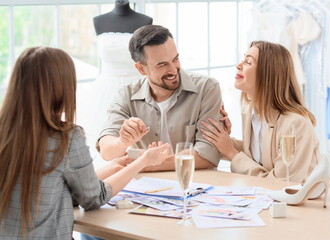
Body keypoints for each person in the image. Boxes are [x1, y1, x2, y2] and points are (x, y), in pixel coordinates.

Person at [0, 46, 169, 239]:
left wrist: (113, 167)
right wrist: (143, 161)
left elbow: (57, 185)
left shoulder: (7, 134)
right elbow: (94, 198)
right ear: (61, 88)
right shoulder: (65, 138)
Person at [97, 25, 223, 171]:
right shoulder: (126, 95)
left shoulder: (207, 88)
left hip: (195, 183)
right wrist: (121, 142)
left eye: (175, 59)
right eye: (162, 65)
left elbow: (208, 155)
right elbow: (106, 150)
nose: (173, 70)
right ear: (141, 69)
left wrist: (145, 164)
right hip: (147, 187)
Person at [201, 41, 319, 183]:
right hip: (259, 196)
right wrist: (222, 139)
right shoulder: (250, 111)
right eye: (243, 60)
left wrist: (231, 153)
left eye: (248, 62)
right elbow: (258, 157)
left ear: (268, 73)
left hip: (294, 203)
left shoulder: (297, 124)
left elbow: (281, 183)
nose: (239, 65)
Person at [76, 0, 153, 151]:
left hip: (137, 86)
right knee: (104, 136)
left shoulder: (145, 21)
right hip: (105, 88)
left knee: (139, 138)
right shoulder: (98, 21)